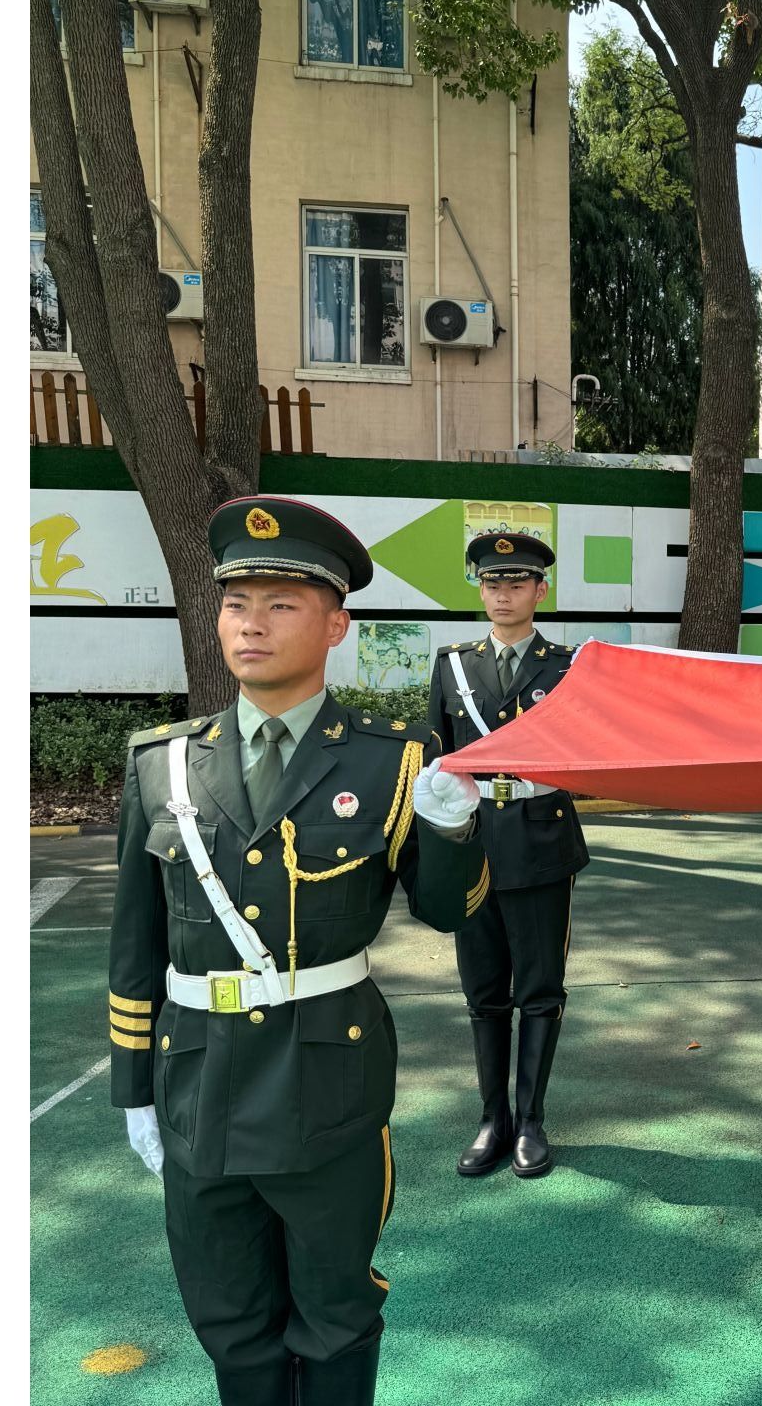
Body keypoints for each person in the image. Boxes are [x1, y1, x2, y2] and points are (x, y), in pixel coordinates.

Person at [107, 495, 490, 1406]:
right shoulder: (162, 763)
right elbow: (136, 943)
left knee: (335, 1316)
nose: (252, 624)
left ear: (334, 626)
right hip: (196, 1085)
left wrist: (451, 829)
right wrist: (134, 1090)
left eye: (281, 604)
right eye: (237, 603)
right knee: (229, 1320)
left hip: (328, 1088)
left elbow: (448, 911)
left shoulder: (393, 761)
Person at [427, 531, 590, 1178]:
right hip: (473, 846)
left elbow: (586, 751)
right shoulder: (452, 665)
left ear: (540, 590)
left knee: (540, 990)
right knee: (484, 992)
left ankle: (531, 1121)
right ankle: (492, 1118)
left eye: (517, 583)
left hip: (541, 841)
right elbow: (437, 754)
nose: (503, 594)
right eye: (492, 583)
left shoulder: (570, 666)